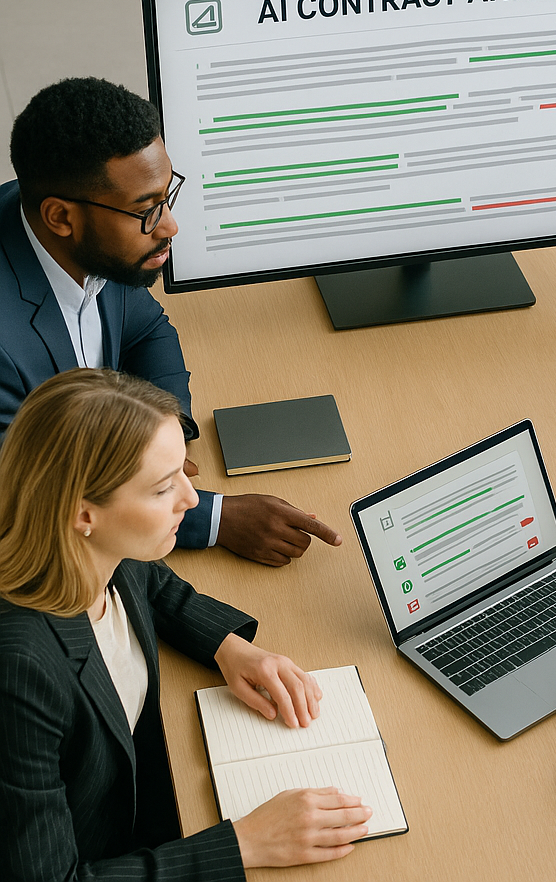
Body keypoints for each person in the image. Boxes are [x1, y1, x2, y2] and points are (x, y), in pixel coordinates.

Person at [0, 368, 372, 881]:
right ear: (83, 513)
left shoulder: (95, 547)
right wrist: (243, 845)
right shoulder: (19, 672)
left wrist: (228, 647)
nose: (192, 500)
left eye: (182, 473)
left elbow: (151, 582)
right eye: (161, 489)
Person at [1, 76, 341, 565]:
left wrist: (167, 431)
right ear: (60, 217)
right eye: (146, 211)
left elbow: (147, 331)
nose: (169, 226)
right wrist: (215, 517)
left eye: (167, 195)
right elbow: (33, 501)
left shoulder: (83, 234)